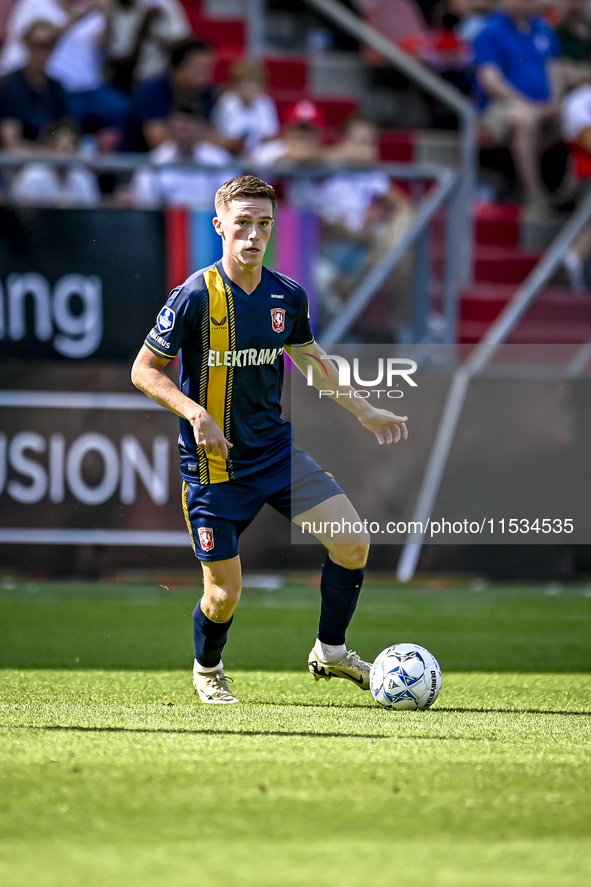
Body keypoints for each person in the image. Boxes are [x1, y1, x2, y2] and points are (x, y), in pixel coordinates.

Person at [131, 174, 408, 704]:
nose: (254, 235)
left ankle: (330, 650)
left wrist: (365, 410)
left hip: (275, 454)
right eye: (242, 224)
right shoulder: (194, 295)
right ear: (219, 227)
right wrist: (196, 414)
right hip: (215, 467)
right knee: (223, 594)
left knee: (352, 541)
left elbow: (313, 363)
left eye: (264, 225)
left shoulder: (288, 295)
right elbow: (145, 370)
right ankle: (208, 670)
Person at [474, 0, 563, 211]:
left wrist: (555, 102)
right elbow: (490, 81)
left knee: (578, 118)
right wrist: (529, 105)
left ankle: (570, 191)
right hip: (501, 107)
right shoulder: (491, 30)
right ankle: (533, 194)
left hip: (544, 106)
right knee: (527, 120)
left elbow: (555, 68)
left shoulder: (543, 27)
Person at [130, 103, 237, 208]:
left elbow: (230, 201)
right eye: (180, 124)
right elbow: (145, 201)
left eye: (190, 123)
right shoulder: (155, 161)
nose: (185, 128)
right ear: (170, 127)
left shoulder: (220, 160)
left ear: (202, 127)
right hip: (164, 221)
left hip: (210, 220)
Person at [126, 36, 216, 151]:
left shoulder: (206, 93)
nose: (206, 77)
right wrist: (198, 135)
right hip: (140, 162)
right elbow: (156, 139)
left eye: (208, 70)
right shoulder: (152, 90)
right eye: (199, 70)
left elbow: (213, 133)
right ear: (177, 68)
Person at [0, 19, 67, 149]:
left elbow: (64, 134)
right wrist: (48, 154)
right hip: (19, 164)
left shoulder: (57, 89)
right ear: (26, 45)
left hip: (52, 161)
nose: (40, 52)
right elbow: (11, 143)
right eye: (35, 45)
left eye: (46, 46)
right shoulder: (8, 86)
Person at [9, 117, 101, 206]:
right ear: (50, 146)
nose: (65, 155)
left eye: (70, 147)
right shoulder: (33, 176)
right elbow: (26, 215)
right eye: (62, 148)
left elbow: (91, 214)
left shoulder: (83, 177)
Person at [105, 0, 191, 93]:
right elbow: (120, 59)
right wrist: (144, 26)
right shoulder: (110, 7)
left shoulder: (162, 4)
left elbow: (183, 45)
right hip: (126, 79)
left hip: (161, 75)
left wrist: (155, 34)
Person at [211, 59, 280, 157]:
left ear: (261, 86)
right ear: (234, 85)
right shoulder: (227, 102)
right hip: (228, 151)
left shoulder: (265, 102)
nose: (249, 87)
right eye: (244, 83)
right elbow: (227, 137)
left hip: (257, 150)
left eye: (253, 83)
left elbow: (270, 135)